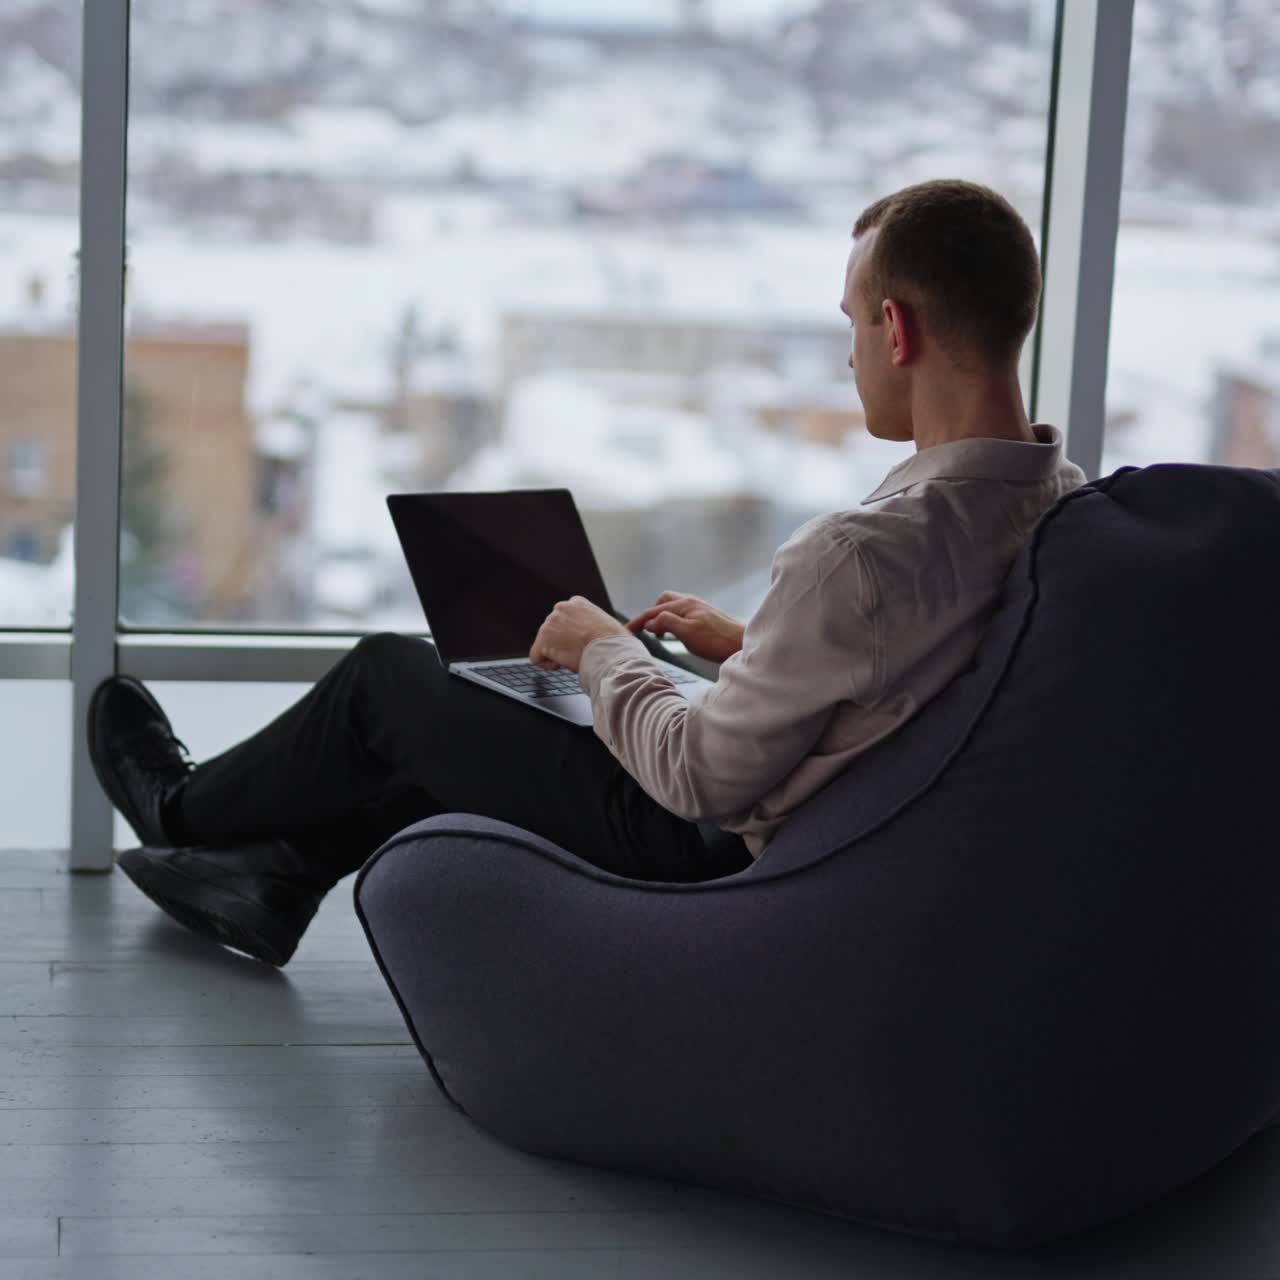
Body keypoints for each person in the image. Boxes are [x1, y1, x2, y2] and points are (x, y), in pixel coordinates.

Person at [88, 179, 1087, 966]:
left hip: (696, 833)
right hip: (816, 798)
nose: (847, 358)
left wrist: (606, 648)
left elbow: (698, 778)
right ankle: (265, 878)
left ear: (896, 329)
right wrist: (750, 647)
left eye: (849, 325)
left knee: (389, 675)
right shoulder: (1059, 504)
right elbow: (906, 672)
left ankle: (179, 807)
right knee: (481, 695)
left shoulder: (861, 552)